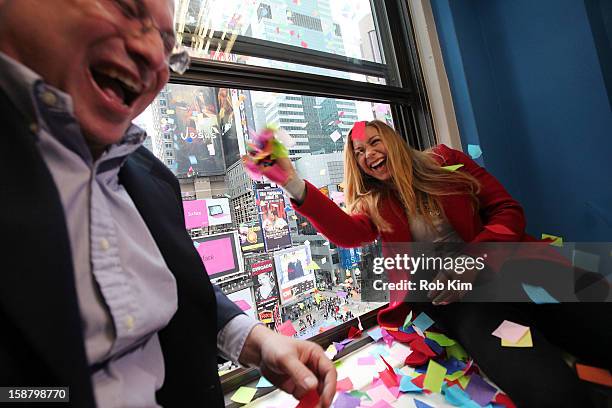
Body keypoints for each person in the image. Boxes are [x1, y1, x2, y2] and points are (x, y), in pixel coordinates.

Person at [0, 1, 336, 407]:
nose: (153, 56)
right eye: (125, 7)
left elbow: (177, 287)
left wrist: (254, 338)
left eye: (167, 44)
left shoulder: (153, 178)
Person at [254, 120, 611, 407]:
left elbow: (507, 210)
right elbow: (348, 234)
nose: (368, 154)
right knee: (550, 390)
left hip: (516, 269)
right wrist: (292, 182)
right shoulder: (374, 202)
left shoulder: (445, 160)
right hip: (465, 305)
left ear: (393, 141)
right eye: (359, 152)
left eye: (375, 142)